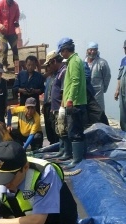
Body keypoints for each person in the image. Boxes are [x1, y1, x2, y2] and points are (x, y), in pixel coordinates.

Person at [57, 37, 87, 168]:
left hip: (75, 102)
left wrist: (70, 100)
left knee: (74, 132)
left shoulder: (74, 61)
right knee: (77, 130)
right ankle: (79, 157)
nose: (61, 54)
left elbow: (75, 82)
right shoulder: (73, 61)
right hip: (76, 101)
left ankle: (77, 159)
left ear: (65, 49)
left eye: (61, 51)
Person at [0, 0, 20, 73]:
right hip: (2, 32)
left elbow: (17, 16)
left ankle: (16, 66)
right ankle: (4, 65)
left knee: (15, 49)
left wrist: (16, 22)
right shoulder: (1, 4)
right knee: (5, 48)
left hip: (12, 32)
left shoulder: (15, 5)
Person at [84, 42, 111, 113]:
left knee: (99, 111)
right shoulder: (83, 62)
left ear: (97, 51)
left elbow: (107, 77)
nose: (92, 52)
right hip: (85, 91)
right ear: (87, 50)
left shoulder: (102, 62)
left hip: (97, 91)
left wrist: (103, 88)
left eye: (94, 50)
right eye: (91, 50)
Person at [42, 52, 59, 145]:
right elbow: (46, 93)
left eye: (49, 65)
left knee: (55, 126)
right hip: (47, 105)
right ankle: (52, 143)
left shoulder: (59, 75)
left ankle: (57, 144)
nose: (49, 67)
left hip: (55, 105)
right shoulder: (48, 78)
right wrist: (44, 105)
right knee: (48, 126)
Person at [114, 40, 126, 132]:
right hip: (123, 92)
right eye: (125, 48)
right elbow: (119, 77)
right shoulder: (123, 60)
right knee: (123, 114)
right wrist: (117, 90)